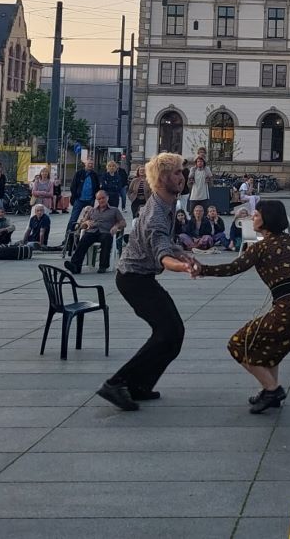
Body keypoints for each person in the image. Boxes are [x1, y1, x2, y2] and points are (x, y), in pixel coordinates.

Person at [193, 199, 290, 413]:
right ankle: (270, 392)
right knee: (272, 350)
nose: (253, 217)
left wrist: (202, 269)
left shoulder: (260, 248)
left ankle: (273, 389)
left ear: (267, 219)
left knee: (237, 344)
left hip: (287, 310)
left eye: (257, 215)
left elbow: (233, 268)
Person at [96, 153, 197, 411]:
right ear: (162, 178)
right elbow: (162, 254)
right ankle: (116, 383)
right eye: (176, 173)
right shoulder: (156, 214)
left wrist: (179, 251)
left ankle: (140, 385)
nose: (181, 177)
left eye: (180, 172)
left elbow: (164, 245)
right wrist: (183, 265)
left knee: (172, 333)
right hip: (134, 279)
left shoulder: (166, 202)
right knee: (168, 332)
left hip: (140, 276)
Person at [68, 190, 127, 274]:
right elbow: (81, 225)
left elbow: (123, 222)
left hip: (106, 231)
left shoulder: (114, 210)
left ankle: (103, 266)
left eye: (103, 198)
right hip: (92, 231)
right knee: (84, 239)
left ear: (107, 198)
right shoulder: (92, 210)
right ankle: (75, 266)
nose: (101, 200)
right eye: (99, 199)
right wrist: (86, 223)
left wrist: (116, 226)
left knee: (106, 239)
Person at [65, 162, 101, 243]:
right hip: (79, 200)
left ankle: (85, 238)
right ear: (85, 164)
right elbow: (73, 186)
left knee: (89, 219)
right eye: (89, 164)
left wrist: (95, 196)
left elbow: (97, 186)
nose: (90, 165)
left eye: (92, 164)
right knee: (73, 219)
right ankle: (67, 240)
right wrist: (76, 195)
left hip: (90, 200)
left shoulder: (94, 175)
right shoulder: (79, 173)